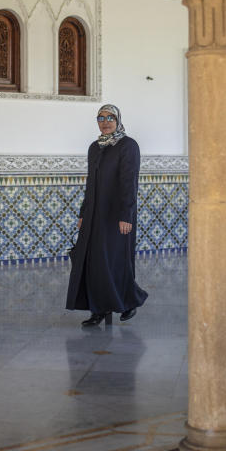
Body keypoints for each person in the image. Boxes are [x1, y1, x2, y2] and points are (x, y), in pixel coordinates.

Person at [66, 104, 148, 326]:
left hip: (116, 215)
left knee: (114, 261)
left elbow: (129, 183)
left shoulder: (128, 146)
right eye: (101, 118)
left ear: (118, 119)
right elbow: (90, 184)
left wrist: (126, 215)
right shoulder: (95, 147)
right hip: (93, 215)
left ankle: (129, 301)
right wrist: (83, 213)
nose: (105, 121)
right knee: (93, 262)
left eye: (110, 117)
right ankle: (98, 309)